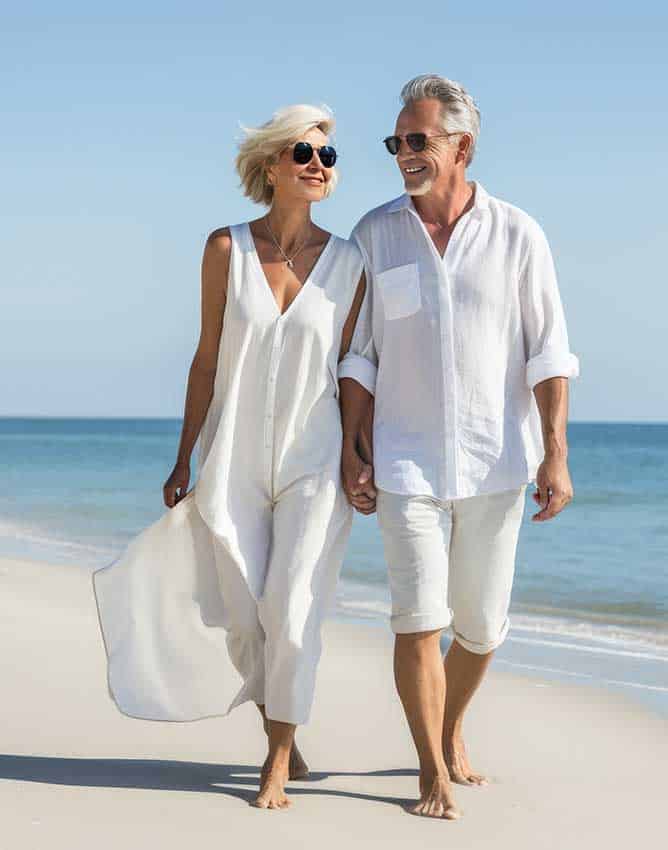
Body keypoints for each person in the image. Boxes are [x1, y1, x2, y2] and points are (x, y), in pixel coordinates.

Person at [93, 103, 375, 811]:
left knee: (293, 605)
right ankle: (284, 728)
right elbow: (207, 359)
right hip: (233, 454)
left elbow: (353, 368)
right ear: (272, 165)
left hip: (315, 457)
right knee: (247, 614)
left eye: (328, 157)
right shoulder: (226, 248)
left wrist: (356, 452)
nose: (318, 165)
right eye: (304, 153)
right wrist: (183, 456)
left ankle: (276, 759)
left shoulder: (351, 263)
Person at [340, 74, 580, 820]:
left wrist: (555, 452)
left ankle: (449, 729)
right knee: (418, 618)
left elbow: (548, 351)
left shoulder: (518, 233)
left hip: (496, 459)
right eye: (396, 142)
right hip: (404, 458)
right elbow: (359, 355)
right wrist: (352, 447)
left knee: (479, 627)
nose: (403, 154)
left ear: (462, 146)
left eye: (418, 140)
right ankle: (430, 770)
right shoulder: (374, 234)